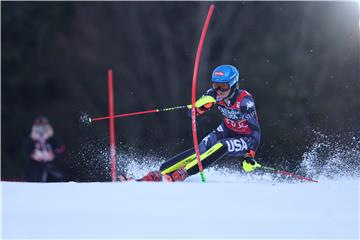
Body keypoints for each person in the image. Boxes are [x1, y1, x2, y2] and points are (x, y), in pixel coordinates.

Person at [121, 65, 261, 182]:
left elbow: (255, 132)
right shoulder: (213, 94)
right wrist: (200, 107)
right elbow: (191, 113)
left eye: (223, 86)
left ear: (233, 84)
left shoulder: (245, 101)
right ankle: (157, 174)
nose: (218, 90)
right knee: (201, 149)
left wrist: (250, 155)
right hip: (227, 129)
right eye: (215, 85)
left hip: (246, 138)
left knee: (222, 145)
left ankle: (181, 175)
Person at [23, 116, 65, 182]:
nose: (41, 129)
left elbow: (61, 148)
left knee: (57, 179)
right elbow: (26, 149)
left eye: (43, 126)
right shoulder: (31, 137)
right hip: (34, 166)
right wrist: (33, 140)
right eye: (39, 126)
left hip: (49, 165)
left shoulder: (52, 138)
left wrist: (53, 154)